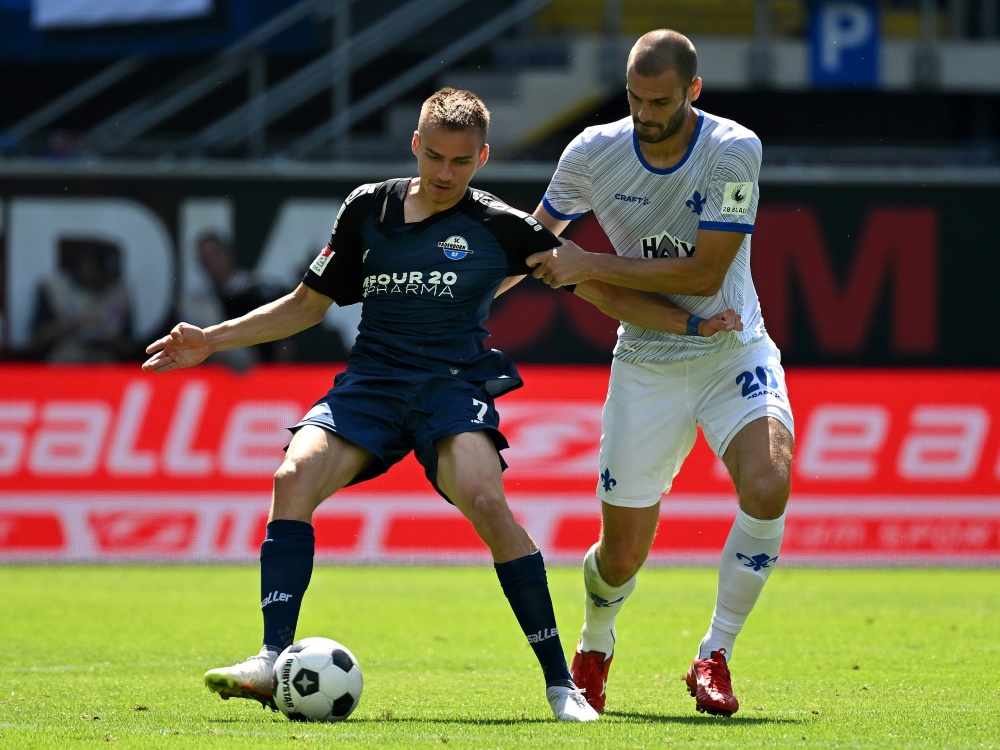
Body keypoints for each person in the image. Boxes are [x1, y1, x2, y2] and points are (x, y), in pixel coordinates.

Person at [142, 87, 741, 723]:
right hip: (372, 383)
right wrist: (210, 339)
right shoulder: (367, 209)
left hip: (451, 388)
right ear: (416, 146)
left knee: (487, 502)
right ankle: (270, 655)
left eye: (460, 161)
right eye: (434, 157)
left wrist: (693, 328)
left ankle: (561, 685)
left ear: (481, 156)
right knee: (292, 475)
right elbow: (305, 305)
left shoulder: (502, 227)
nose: (445, 172)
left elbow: (593, 289)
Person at [526, 29, 795, 718]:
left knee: (768, 484)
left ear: (693, 92)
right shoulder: (593, 152)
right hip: (645, 360)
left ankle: (716, 653)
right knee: (619, 559)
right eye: (636, 99)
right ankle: (595, 643)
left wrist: (588, 264)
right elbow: (536, 243)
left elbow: (705, 272)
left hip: (733, 345)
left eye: (661, 101)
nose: (646, 114)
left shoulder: (733, 149)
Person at [30, 238, 136, 363]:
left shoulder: (119, 292)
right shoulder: (54, 289)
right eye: (95, 268)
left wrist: (109, 341)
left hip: (105, 370)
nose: (99, 279)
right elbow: (37, 339)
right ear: (85, 263)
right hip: (63, 368)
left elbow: (130, 346)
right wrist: (72, 325)